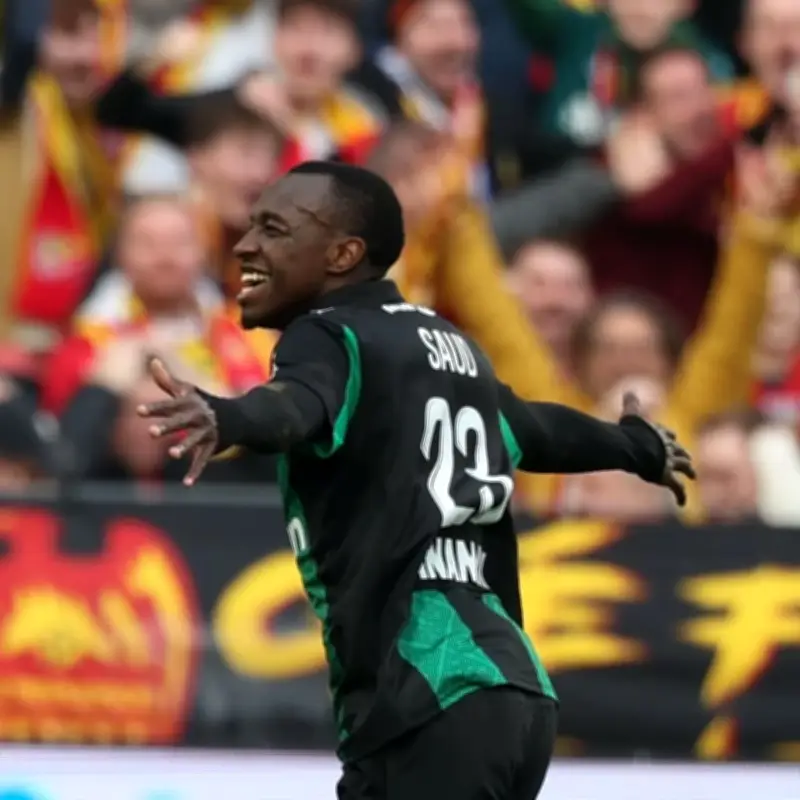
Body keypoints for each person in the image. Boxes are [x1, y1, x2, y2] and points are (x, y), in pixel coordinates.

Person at [137, 162, 694, 799]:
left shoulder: (326, 335)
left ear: (343, 255)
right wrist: (634, 446)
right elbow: (534, 429)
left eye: (274, 228)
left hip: (434, 692)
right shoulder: (451, 346)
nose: (245, 245)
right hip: (507, 691)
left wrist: (229, 416)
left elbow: (299, 403)